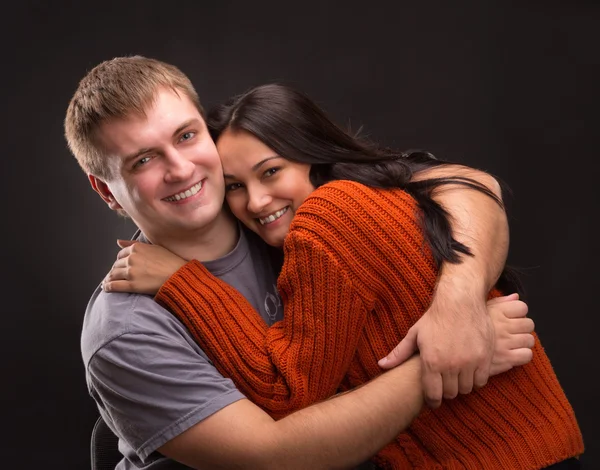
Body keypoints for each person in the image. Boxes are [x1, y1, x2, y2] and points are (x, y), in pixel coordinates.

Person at [66, 56, 534, 469]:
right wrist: (443, 359)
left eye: (186, 136)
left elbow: (465, 187)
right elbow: (272, 458)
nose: (181, 168)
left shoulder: (274, 209)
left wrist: (460, 303)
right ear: (108, 191)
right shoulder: (126, 329)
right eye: (144, 160)